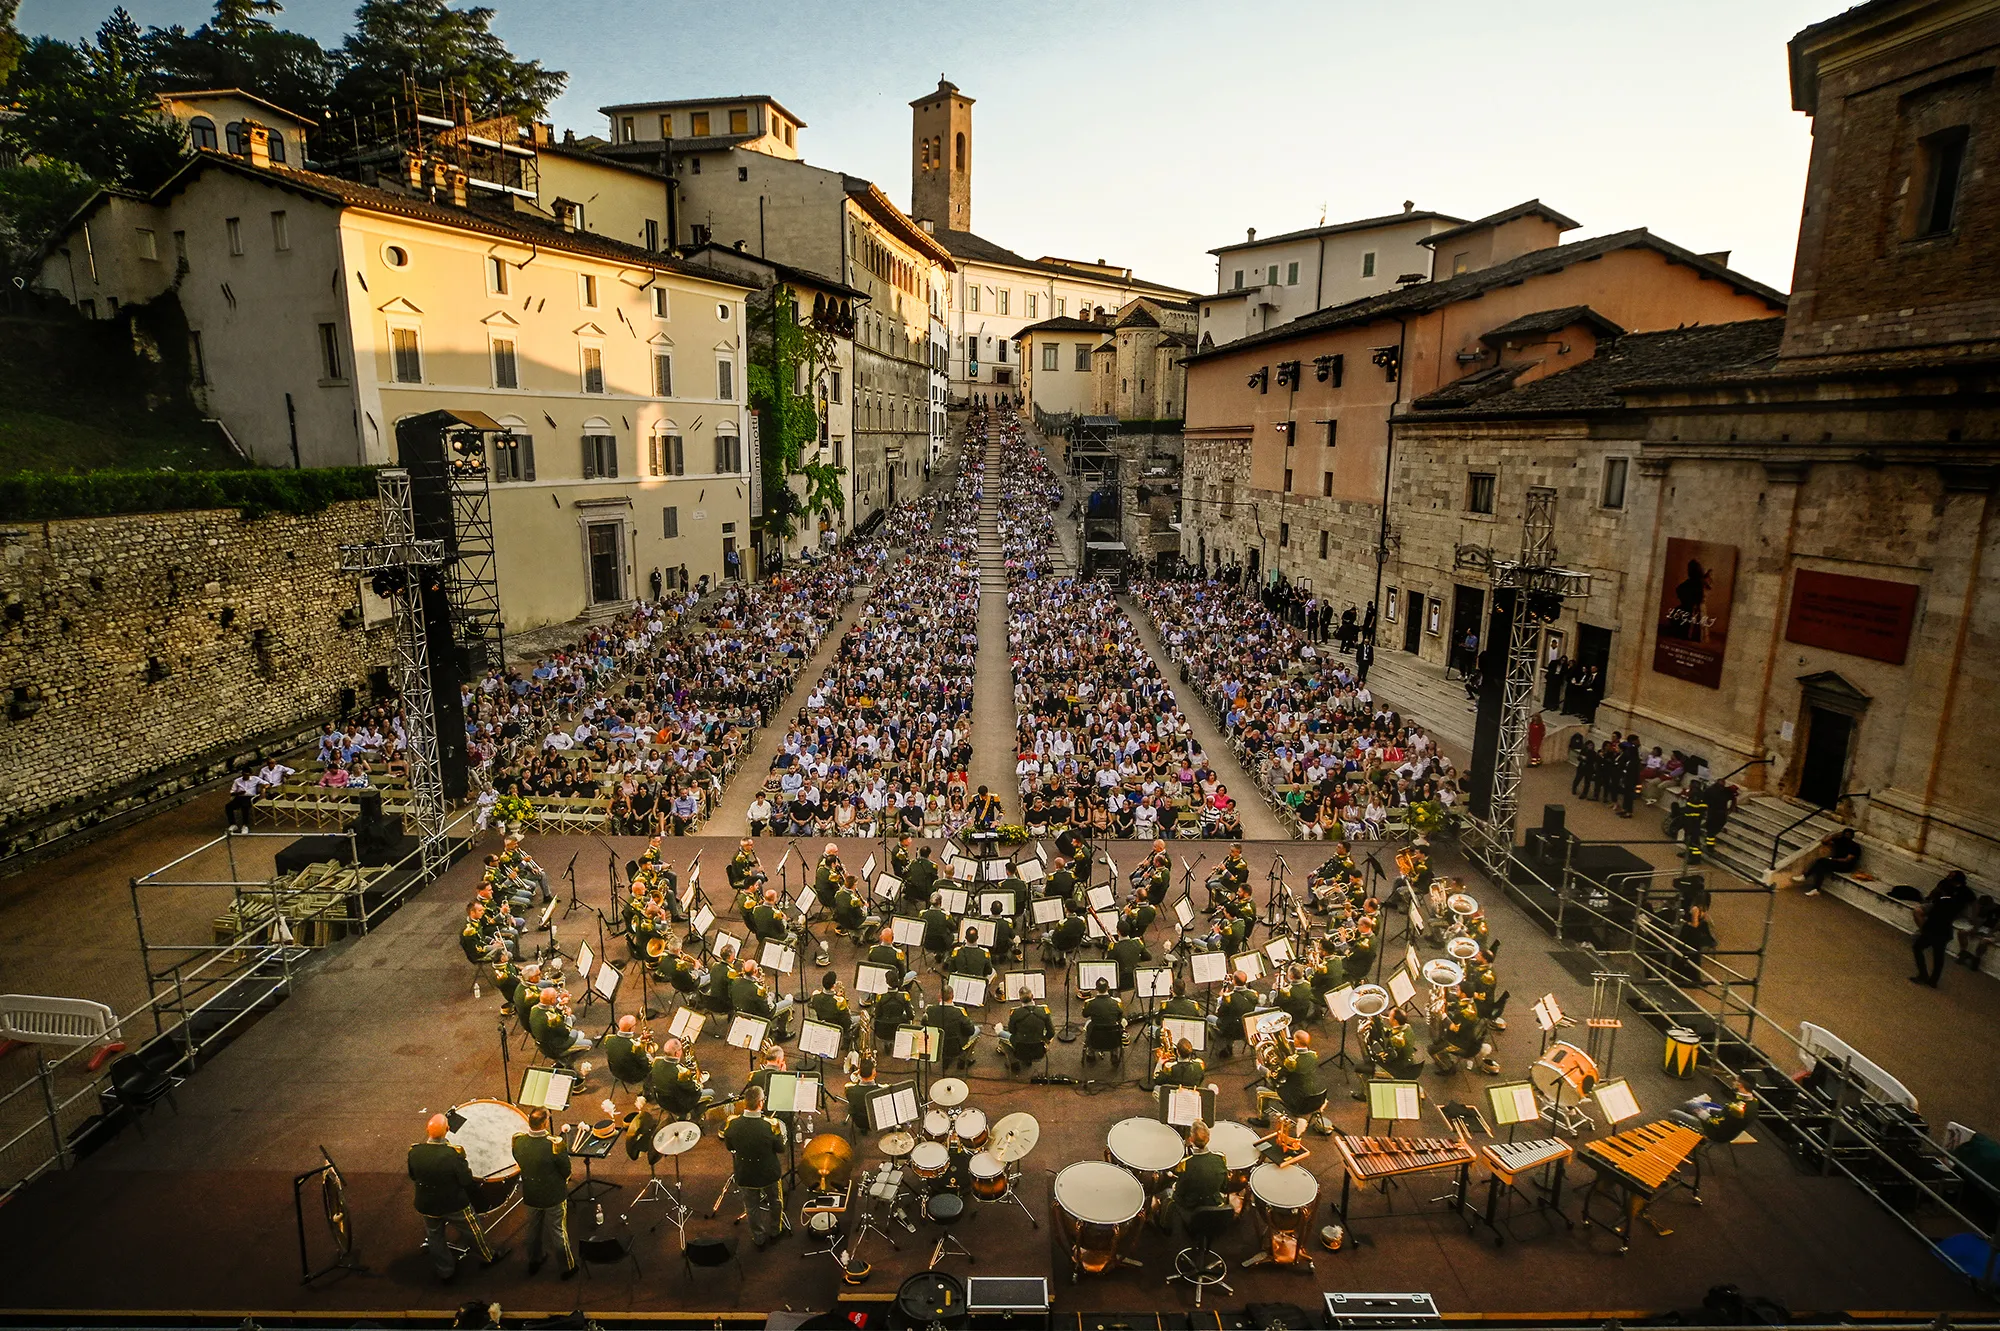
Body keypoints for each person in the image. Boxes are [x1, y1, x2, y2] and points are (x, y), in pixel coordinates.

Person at [408, 1113, 502, 1280]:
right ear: (448, 1130)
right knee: (473, 1231)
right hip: (453, 1204)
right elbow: (466, 1181)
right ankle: (488, 1256)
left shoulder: (414, 1152)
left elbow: (413, 1175)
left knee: (435, 1236)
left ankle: (445, 1271)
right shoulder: (453, 1154)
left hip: (427, 1204)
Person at [511, 1107, 577, 1278]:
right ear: (545, 1122)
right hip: (553, 1195)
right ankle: (567, 1267)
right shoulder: (554, 1144)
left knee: (533, 1229)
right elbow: (565, 1169)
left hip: (532, 1193)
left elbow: (518, 1158)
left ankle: (534, 1260)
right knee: (557, 1231)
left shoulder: (519, 1141)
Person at [725, 1086, 789, 1249]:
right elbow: (780, 1149)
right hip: (769, 1173)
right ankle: (775, 1231)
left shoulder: (732, 1123)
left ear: (745, 1103)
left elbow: (729, 1146)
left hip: (745, 1173)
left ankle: (758, 1237)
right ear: (760, 1103)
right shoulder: (771, 1124)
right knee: (775, 1201)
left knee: (751, 1207)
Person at [1913, 870, 1977, 987]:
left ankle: (1924, 975)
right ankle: (1933, 980)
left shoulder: (1957, 894)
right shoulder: (1950, 893)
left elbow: (1937, 905)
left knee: (1918, 948)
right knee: (1938, 955)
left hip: (1935, 925)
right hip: (1944, 928)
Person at [1172, 1120, 1232, 1216]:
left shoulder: (1186, 1164)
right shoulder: (1219, 1159)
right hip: (1214, 1205)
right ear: (1208, 1139)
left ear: (1191, 1140)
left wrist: (1174, 1187)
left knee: (1167, 1196)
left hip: (1191, 1208)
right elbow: (1224, 1187)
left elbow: (1179, 1194)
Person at [1797, 828, 1861, 896]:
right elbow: (1824, 841)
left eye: (1849, 835)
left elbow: (1847, 860)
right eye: (1845, 834)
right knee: (1820, 866)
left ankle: (1806, 877)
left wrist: (1832, 859)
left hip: (1846, 866)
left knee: (1821, 862)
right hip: (1835, 862)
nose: (1847, 836)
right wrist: (1834, 836)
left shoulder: (1855, 846)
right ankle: (1815, 888)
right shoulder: (1840, 841)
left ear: (1852, 836)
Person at [1002, 991, 1054, 1071]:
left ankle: (1014, 1063)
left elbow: (1012, 1031)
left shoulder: (1015, 1013)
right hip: (1039, 1050)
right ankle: (1028, 1060)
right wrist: (1045, 1040)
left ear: (1020, 999)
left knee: (1001, 1034)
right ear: (1032, 997)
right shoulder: (1044, 1011)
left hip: (1020, 1050)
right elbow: (1051, 1032)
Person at [225, 766, 260, 834]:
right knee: (228, 806)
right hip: (240, 797)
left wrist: (264, 787)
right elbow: (232, 792)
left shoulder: (256, 779)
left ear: (250, 774)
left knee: (245, 807)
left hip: (250, 797)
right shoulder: (237, 781)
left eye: (247, 775)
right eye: (244, 775)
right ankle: (233, 824)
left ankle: (245, 825)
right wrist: (238, 793)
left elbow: (265, 783)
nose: (245, 777)